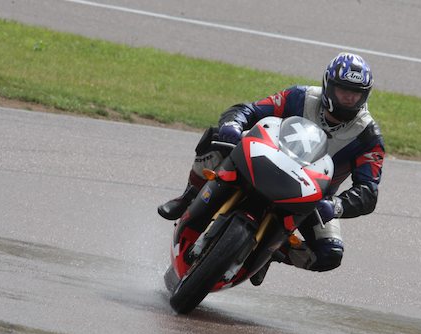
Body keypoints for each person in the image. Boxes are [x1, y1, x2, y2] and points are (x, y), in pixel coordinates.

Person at [158, 52, 385, 285]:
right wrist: (234, 123)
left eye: (356, 93)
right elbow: (251, 110)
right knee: (218, 138)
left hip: (311, 195)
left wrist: (336, 205)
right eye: (343, 90)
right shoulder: (300, 96)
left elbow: (368, 191)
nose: (349, 98)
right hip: (264, 161)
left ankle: (271, 251)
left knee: (330, 253)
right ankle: (189, 196)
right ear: (328, 85)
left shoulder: (369, 136)